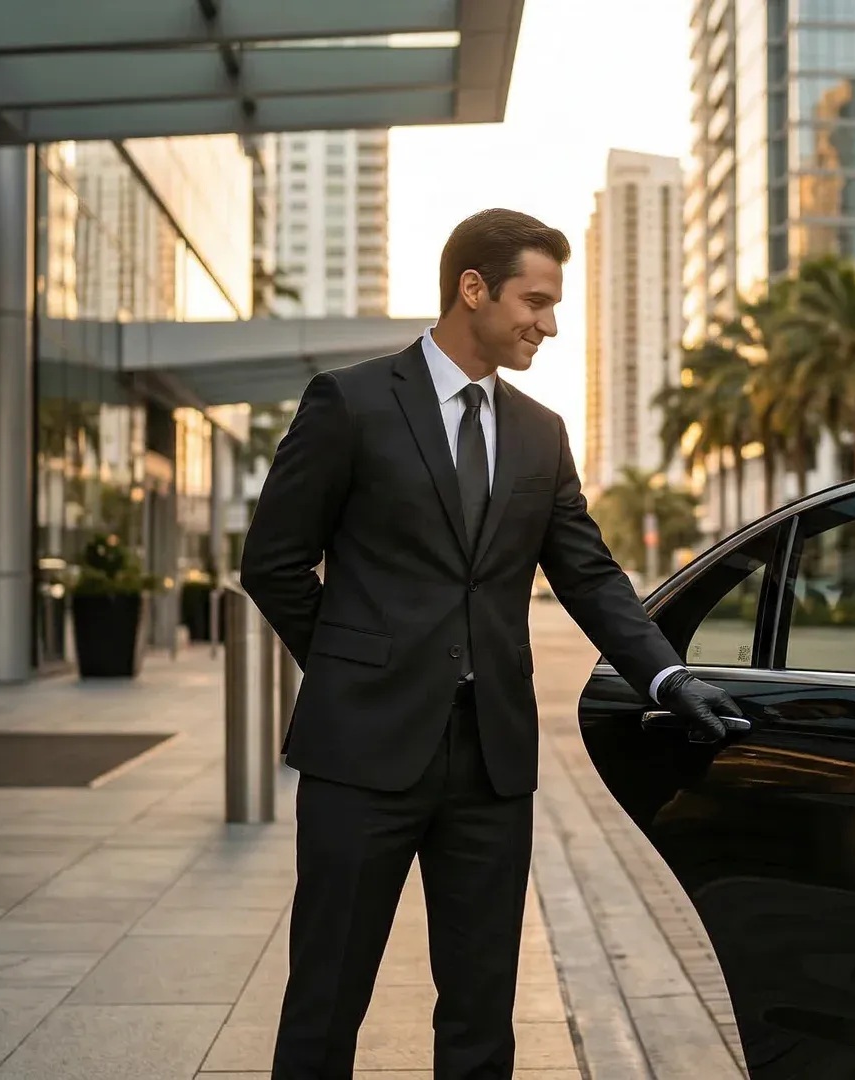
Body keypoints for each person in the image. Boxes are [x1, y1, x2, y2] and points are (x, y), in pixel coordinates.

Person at [240, 209, 739, 1080]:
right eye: (534, 301)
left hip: (491, 761)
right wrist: (358, 667)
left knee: (481, 1010)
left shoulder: (542, 432)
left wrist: (665, 675)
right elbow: (274, 562)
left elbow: (588, 575)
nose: (548, 324)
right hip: (362, 752)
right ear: (472, 288)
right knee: (327, 997)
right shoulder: (351, 402)